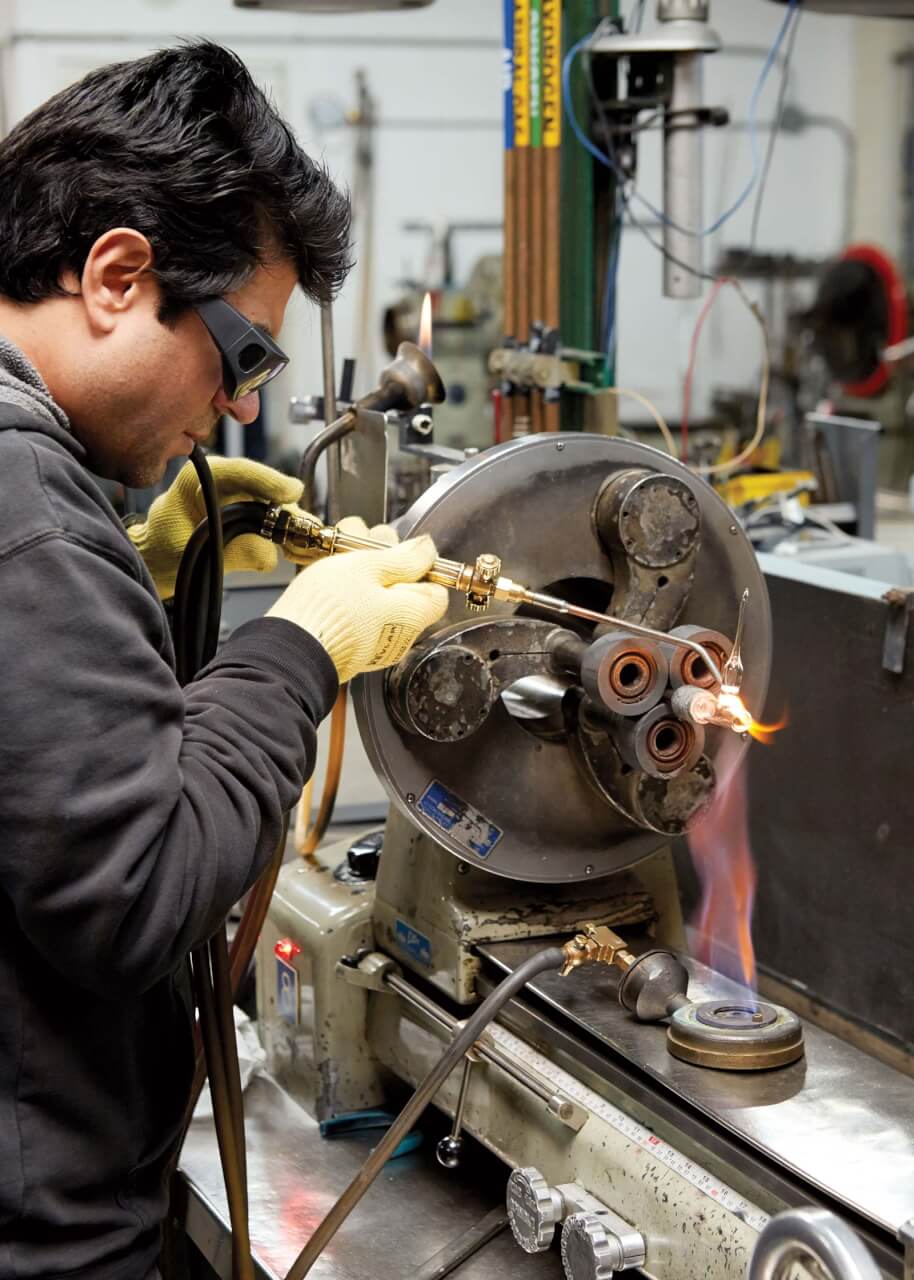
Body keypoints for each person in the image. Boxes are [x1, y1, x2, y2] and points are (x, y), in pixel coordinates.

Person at [0, 41, 448, 1280]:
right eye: (243, 354)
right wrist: (302, 643)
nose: (245, 408)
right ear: (117, 274)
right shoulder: (22, 502)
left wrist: (126, 566)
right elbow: (138, 890)